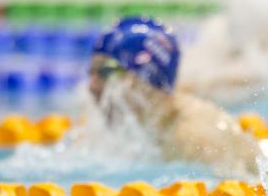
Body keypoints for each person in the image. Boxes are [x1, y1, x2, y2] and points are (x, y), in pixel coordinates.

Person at [89, 16, 259, 176]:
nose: (92, 85)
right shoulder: (146, 129)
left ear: (147, 77)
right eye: (91, 72)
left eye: (106, 72)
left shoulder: (194, 138)